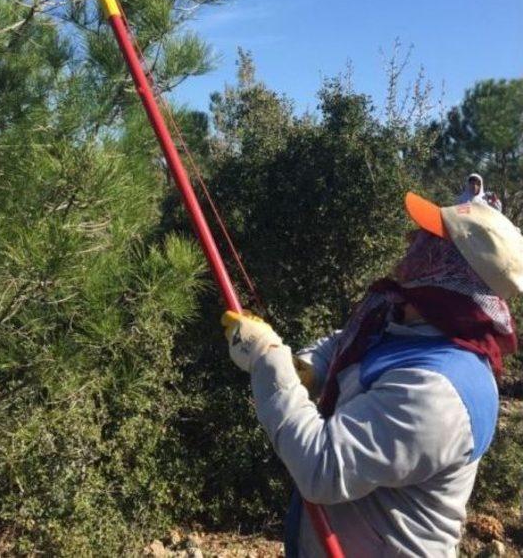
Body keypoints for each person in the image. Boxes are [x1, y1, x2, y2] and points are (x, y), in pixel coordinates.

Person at [222, 193, 523, 557]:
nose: (411, 241)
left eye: (428, 240)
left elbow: (323, 467)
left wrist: (267, 360)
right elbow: (345, 344)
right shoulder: (408, 323)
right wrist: (305, 370)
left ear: (448, 268)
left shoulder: (436, 392)